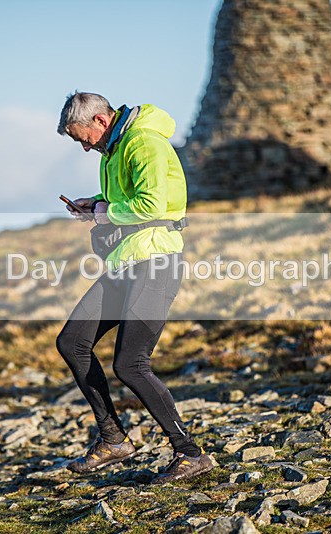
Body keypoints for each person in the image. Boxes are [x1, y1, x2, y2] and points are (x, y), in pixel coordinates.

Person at [55, 92, 213, 483]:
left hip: (155, 261)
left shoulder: (144, 143)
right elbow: (125, 200)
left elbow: (154, 204)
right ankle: (113, 439)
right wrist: (95, 203)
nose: (85, 146)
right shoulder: (114, 150)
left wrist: (102, 212)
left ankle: (190, 454)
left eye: (83, 138)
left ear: (100, 122)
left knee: (130, 363)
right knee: (72, 342)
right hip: (124, 262)